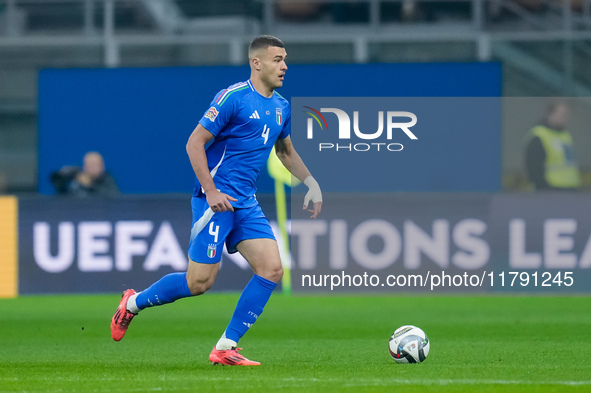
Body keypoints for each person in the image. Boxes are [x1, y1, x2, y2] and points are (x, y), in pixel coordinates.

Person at [110, 35, 323, 366]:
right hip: (215, 201)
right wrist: (210, 190)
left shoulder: (281, 106)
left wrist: (310, 182)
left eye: (285, 59)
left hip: (246, 203)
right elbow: (194, 143)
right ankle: (132, 303)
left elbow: (285, 151)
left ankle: (226, 347)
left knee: (272, 269)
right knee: (199, 283)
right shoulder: (233, 98)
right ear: (257, 63)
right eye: (277, 59)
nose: (284, 66)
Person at [525, 101, 581, 191]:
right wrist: (544, 189)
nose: (565, 118)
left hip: (570, 190)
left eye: (567, 115)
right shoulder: (539, 136)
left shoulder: (565, 135)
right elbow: (534, 169)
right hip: (550, 192)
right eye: (562, 114)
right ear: (550, 114)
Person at [50, 151, 120, 197]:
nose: (92, 168)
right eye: (89, 165)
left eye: (95, 164)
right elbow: (65, 197)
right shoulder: (77, 181)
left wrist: (90, 185)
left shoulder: (108, 180)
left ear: (102, 166)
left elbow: (112, 197)